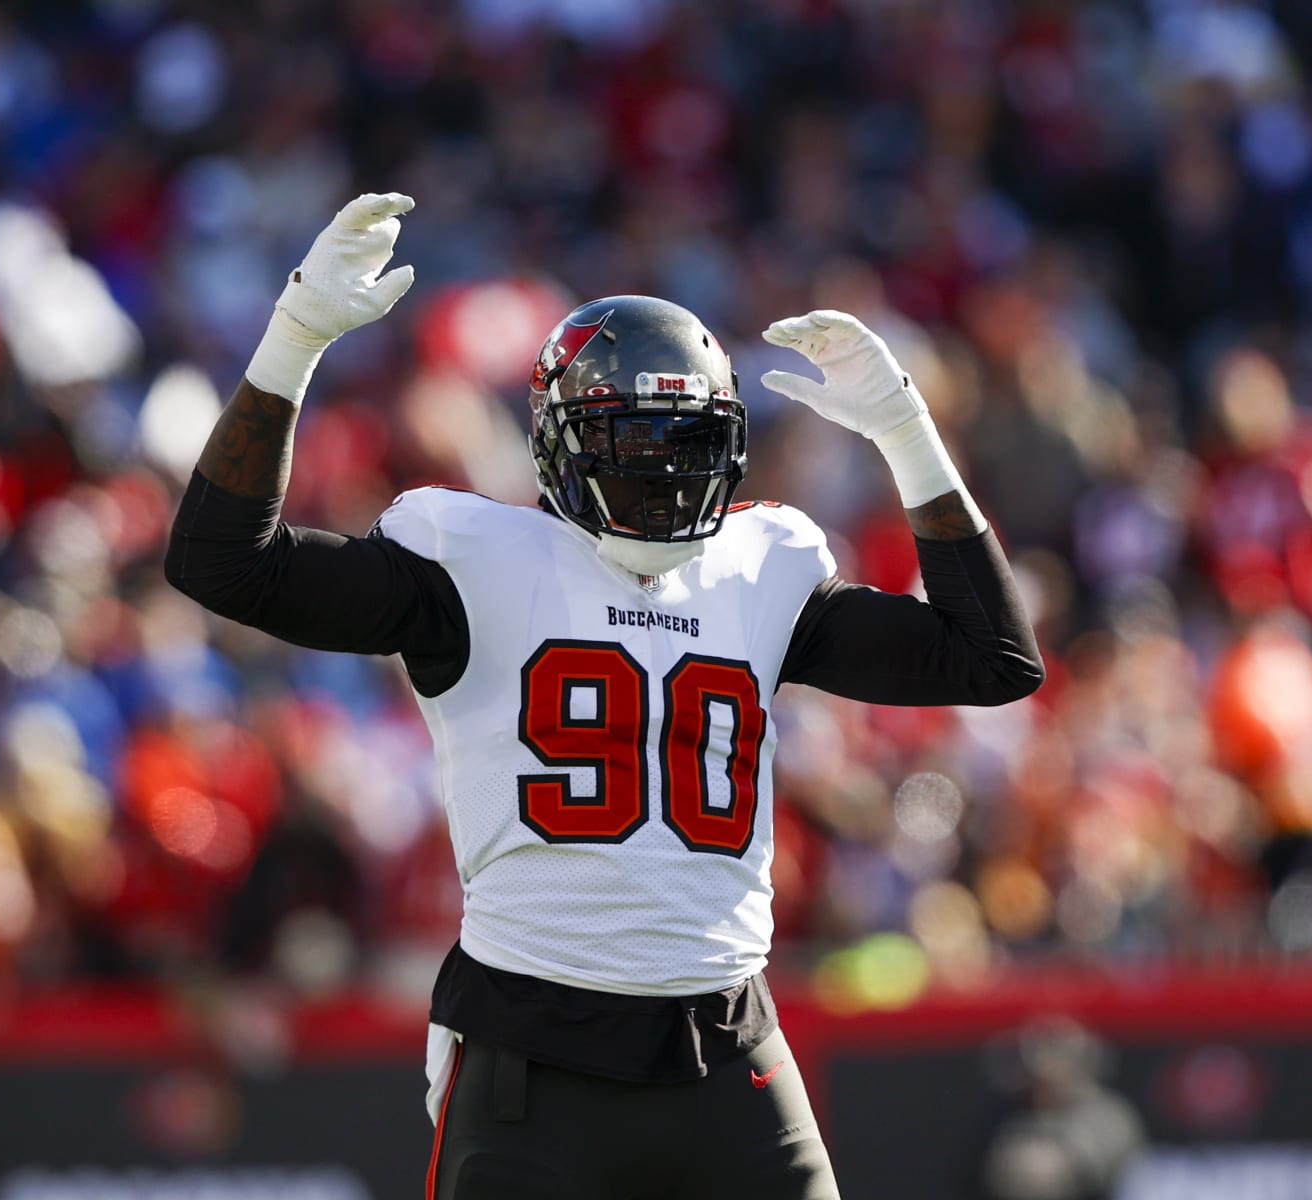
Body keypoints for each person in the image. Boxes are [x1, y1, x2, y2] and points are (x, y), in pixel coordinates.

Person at [166, 192, 1044, 1199]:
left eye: (690, 440)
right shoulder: (471, 558)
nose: (668, 472)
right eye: (636, 439)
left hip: (726, 1046)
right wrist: (293, 339)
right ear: (558, 443)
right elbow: (222, 565)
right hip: (532, 1057)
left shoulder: (761, 566)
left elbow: (995, 660)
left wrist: (904, 430)